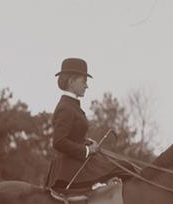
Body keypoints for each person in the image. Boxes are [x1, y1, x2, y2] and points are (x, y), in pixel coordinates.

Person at [45, 58, 119, 190]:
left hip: (76, 163)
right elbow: (59, 141)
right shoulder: (66, 108)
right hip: (68, 170)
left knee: (123, 167)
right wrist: (87, 150)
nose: (86, 86)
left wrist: (87, 142)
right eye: (83, 81)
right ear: (71, 82)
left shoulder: (72, 105)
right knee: (121, 170)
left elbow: (73, 136)